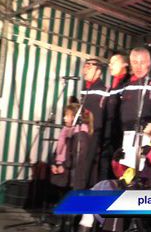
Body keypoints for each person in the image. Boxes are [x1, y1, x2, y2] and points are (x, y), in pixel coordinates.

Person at [77, 120, 151, 232]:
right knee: (96, 191)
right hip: (133, 185)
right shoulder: (139, 145)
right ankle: (87, 224)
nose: (147, 124)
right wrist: (117, 160)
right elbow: (122, 174)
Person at [50, 103, 93, 232]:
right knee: (61, 202)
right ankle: (60, 225)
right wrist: (54, 163)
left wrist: (64, 166)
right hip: (62, 173)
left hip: (72, 176)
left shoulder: (81, 134)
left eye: (67, 116)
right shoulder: (66, 131)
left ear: (75, 117)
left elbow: (77, 158)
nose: (64, 118)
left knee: (68, 205)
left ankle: (66, 227)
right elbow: (58, 150)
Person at [120, 47, 151, 132]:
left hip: (147, 135)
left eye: (142, 62)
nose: (138, 66)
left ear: (149, 63)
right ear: (130, 63)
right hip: (126, 134)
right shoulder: (126, 84)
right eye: (135, 62)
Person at [100, 53, 131, 180]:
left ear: (125, 64)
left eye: (114, 62)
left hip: (120, 137)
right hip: (108, 136)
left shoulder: (128, 84)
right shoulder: (111, 86)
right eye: (110, 63)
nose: (110, 65)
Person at [80, 58, 107, 187]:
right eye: (85, 67)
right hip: (84, 132)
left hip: (94, 133)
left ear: (98, 71)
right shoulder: (85, 89)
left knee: (88, 168)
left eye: (89, 67)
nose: (85, 70)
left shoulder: (102, 89)